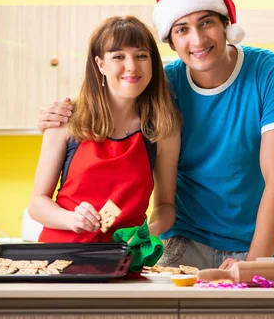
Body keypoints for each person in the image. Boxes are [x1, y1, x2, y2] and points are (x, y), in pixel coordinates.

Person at [38, 0, 274, 269]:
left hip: (256, 242)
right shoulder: (164, 86)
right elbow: (110, 101)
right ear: (171, 41)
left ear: (226, 25)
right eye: (182, 30)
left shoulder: (272, 73)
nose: (197, 39)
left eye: (206, 23)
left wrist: (254, 264)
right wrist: (58, 115)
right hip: (182, 241)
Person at [30, 16, 181, 242]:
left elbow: (165, 205)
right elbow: (37, 204)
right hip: (60, 258)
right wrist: (72, 219)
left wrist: (149, 232)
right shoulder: (66, 118)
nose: (131, 66)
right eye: (118, 56)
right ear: (100, 64)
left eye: (141, 55)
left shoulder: (163, 128)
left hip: (124, 262)